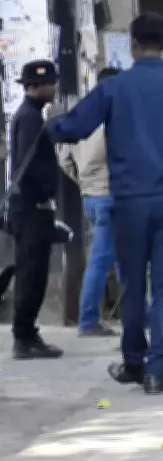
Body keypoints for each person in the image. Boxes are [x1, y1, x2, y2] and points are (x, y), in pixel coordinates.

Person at [48, 12, 163, 394]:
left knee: (133, 285)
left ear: (134, 44)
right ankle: (157, 371)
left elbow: (73, 127)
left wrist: (46, 126)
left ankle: (134, 362)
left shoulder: (114, 89)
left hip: (128, 204)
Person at [7, 60, 63, 359]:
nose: (55, 88)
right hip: (31, 209)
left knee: (34, 272)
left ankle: (27, 333)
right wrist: (43, 195)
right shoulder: (29, 118)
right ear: (35, 86)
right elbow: (28, 165)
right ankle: (24, 336)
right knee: (32, 273)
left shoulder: (31, 115)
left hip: (31, 207)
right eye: (50, 84)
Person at [58, 66, 121, 337]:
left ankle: (140, 312)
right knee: (101, 258)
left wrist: (83, 181)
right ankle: (87, 320)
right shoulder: (113, 116)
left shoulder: (81, 115)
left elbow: (64, 159)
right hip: (111, 194)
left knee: (122, 257)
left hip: (91, 195)